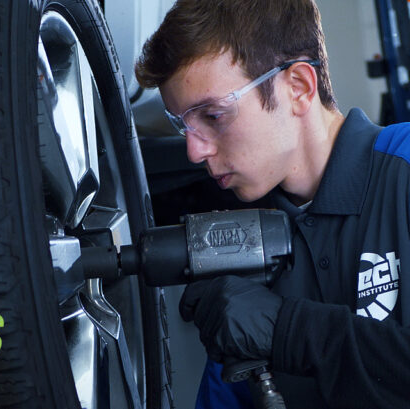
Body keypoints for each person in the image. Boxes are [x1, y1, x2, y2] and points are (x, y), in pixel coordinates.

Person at [134, 0, 410, 408]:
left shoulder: (403, 166)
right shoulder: (244, 264)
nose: (193, 151)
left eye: (213, 115)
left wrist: (287, 331)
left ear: (298, 87)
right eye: (183, 125)